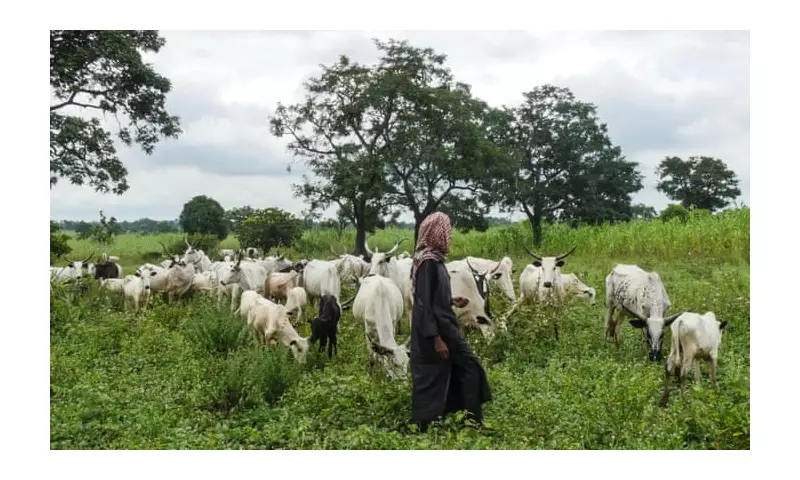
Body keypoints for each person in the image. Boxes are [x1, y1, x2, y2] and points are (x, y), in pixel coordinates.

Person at [409, 211, 492, 432]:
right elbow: (423, 303)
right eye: (446, 230)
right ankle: (470, 421)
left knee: (445, 371)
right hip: (438, 330)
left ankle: (459, 418)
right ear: (436, 233)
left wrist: (451, 300)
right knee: (469, 367)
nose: (449, 235)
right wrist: (436, 338)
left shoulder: (432, 260)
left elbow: (430, 296)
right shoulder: (428, 262)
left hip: (440, 325)